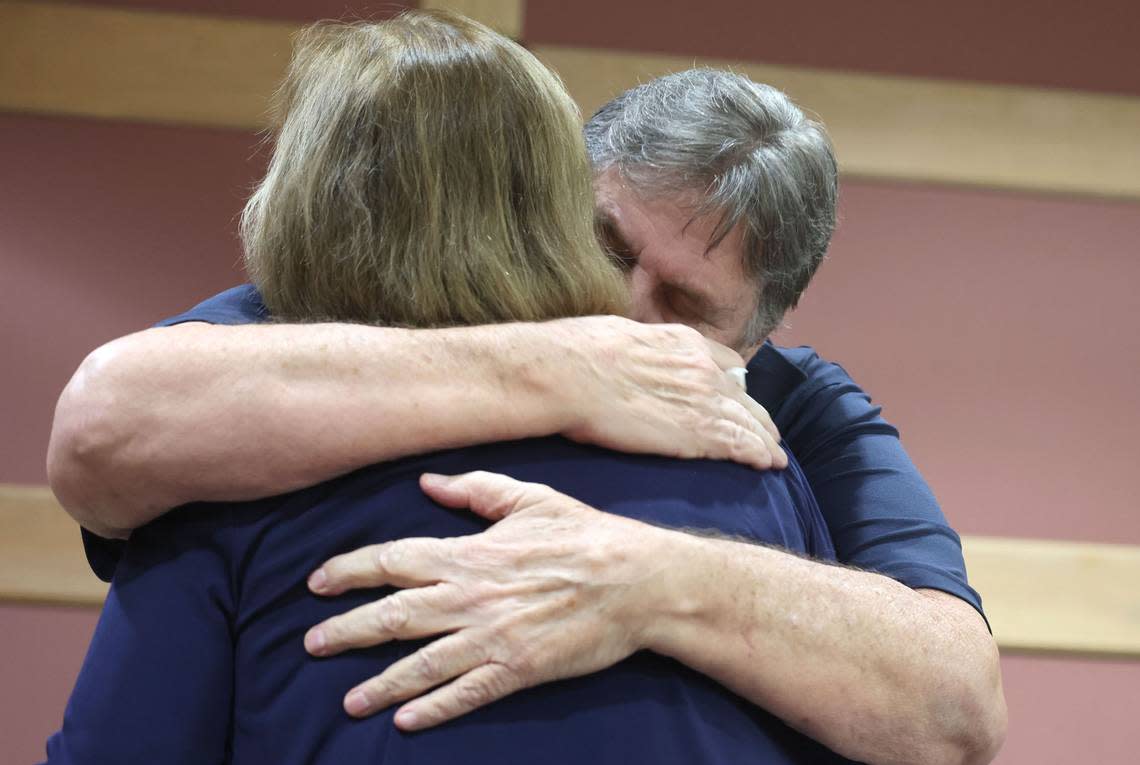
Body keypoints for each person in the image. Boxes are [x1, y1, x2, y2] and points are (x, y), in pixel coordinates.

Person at [47, 45, 1007, 765]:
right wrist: (560, 369)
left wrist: (643, 579)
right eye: (610, 246)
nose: (626, 313)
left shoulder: (797, 418)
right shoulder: (342, 326)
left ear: (757, 338)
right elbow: (104, 428)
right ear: (549, 201)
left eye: (684, 307)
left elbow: (957, 704)